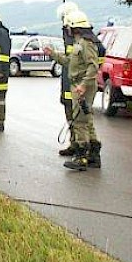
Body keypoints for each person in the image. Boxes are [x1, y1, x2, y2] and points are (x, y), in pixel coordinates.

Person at [44, 10, 101, 170]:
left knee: (80, 121)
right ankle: (94, 156)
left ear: (74, 27)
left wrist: (83, 85)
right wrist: (53, 55)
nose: (66, 29)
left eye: (68, 26)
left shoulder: (86, 43)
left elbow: (93, 67)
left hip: (82, 86)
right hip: (78, 85)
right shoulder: (79, 43)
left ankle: (81, 157)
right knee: (86, 121)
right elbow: (70, 62)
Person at [55, 1, 80, 156]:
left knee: (77, 115)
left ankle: (79, 146)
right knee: (69, 111)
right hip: (68, 78)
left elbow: (73, 59)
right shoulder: (68, 32)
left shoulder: (76, 34)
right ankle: (73, 143)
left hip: (74, 79)